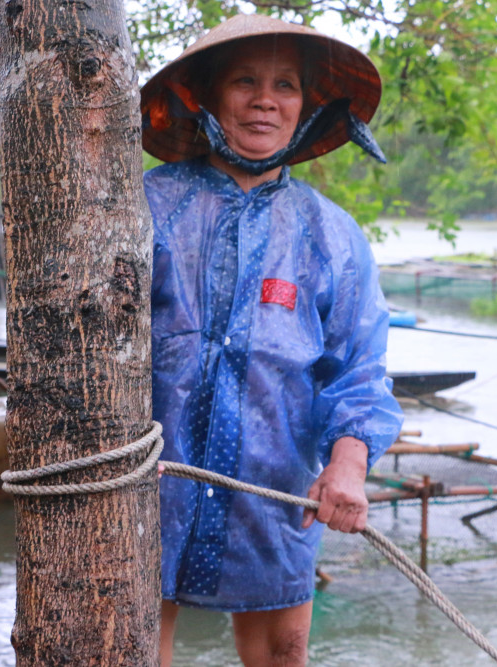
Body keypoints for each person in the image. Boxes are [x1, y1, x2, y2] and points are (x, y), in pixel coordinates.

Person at [141, 14, 404, 666]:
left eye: (285, 85)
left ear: (307, 106)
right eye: (244, 81)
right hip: (150, 484)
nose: (266, 99)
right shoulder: (148, 204)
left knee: (284, 655)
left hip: (275, 486)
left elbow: (361, 370)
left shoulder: (331, 233)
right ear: (206, 96)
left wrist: (347, 465)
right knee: (136, 648)